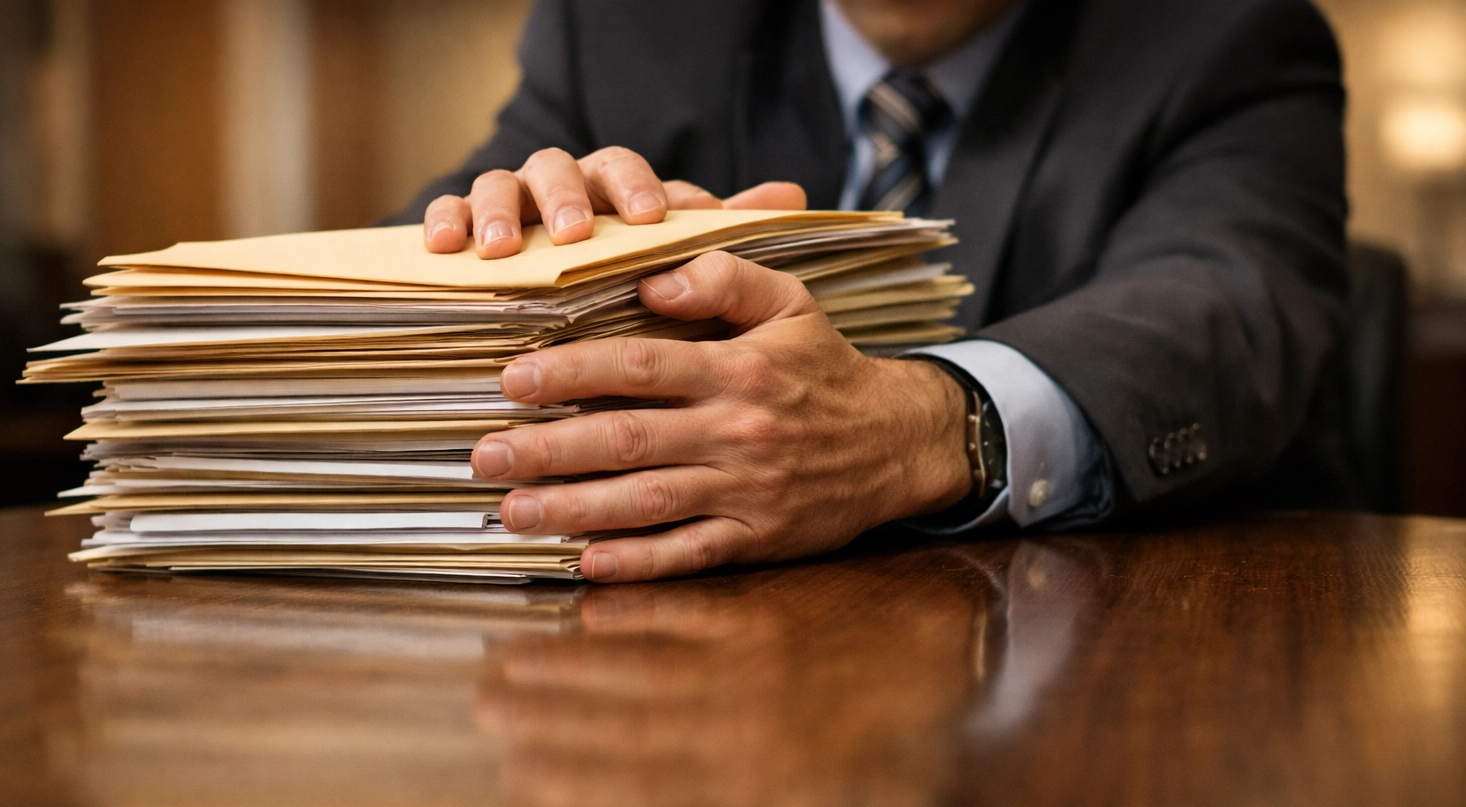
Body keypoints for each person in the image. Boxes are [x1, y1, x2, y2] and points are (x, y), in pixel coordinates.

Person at [392, 0, 1349, 583]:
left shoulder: (1229, 36)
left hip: (1119, 684)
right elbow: (409, 274)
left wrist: (924, 427)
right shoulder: (624, 31)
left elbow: (1225, 300)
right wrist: (523, 255)